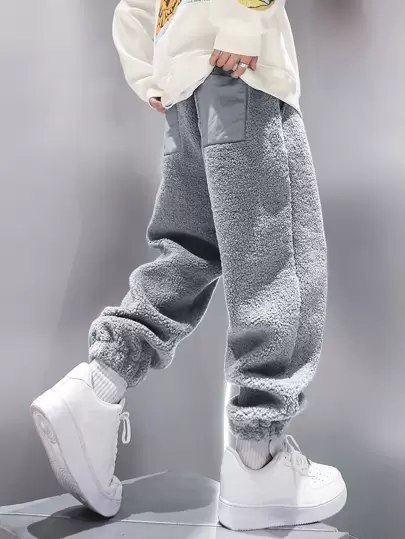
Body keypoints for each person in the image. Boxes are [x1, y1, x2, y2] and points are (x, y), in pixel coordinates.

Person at [30, 0, 347, 531]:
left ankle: (99, 384)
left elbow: (133, 8)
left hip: (184, 88)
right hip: (241, 70)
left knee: (191, 248)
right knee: (276, 258)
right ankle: (260, 459)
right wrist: (245, 17)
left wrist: (149, 70)